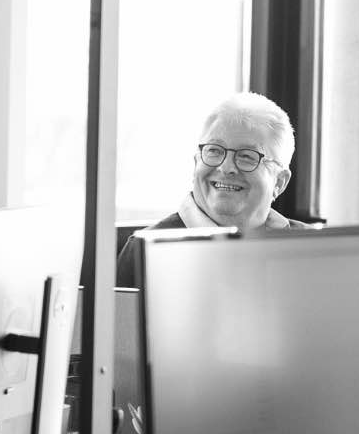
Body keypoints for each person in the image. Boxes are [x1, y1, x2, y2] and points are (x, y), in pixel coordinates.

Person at [116, 91, 310, 288]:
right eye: (214, 151)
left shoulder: (314, 249)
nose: (226, 168)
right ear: (196, 163)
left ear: (279, 182)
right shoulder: (143, 252)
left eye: (247, 156)